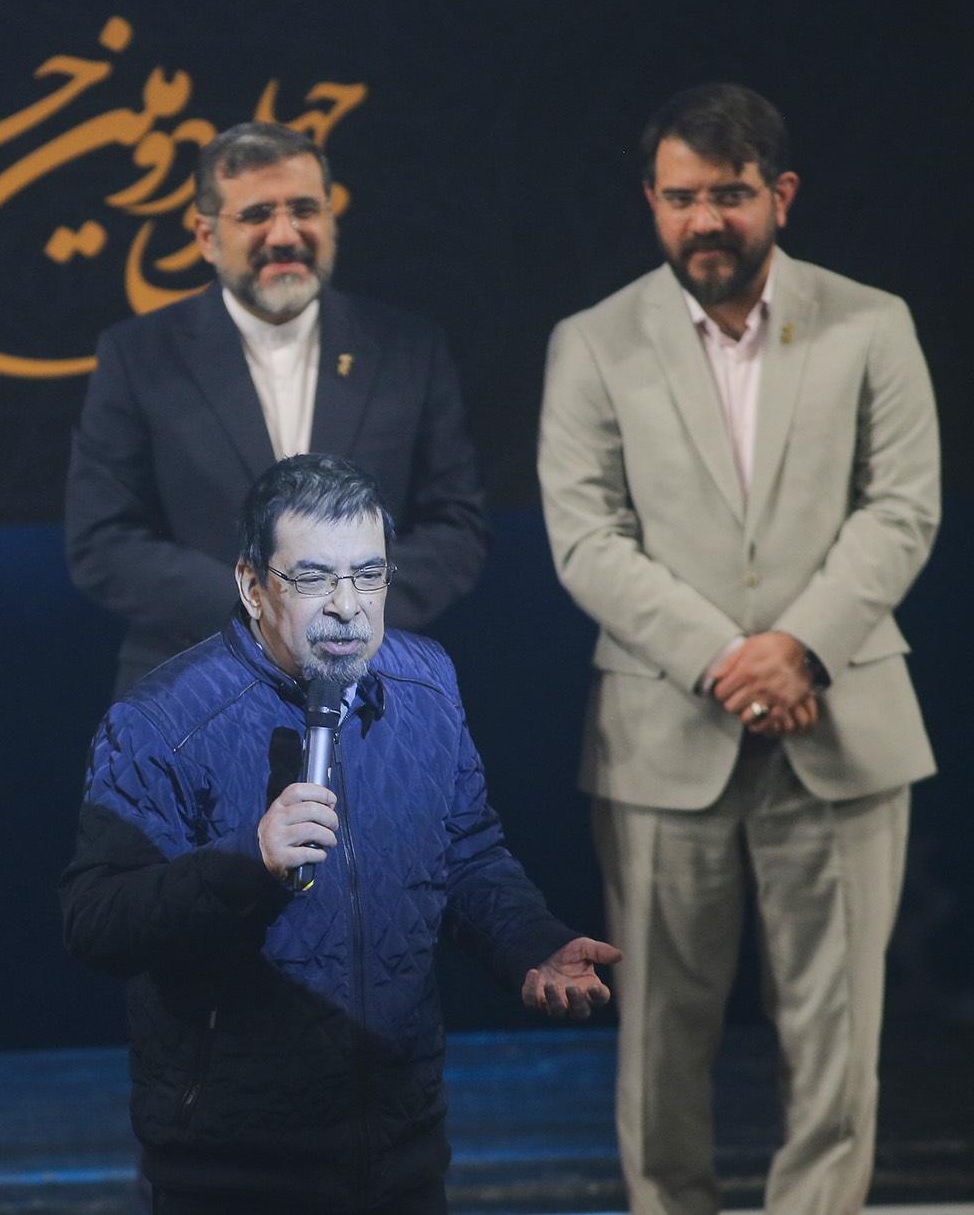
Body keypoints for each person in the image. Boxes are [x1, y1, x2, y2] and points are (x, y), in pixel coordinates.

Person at [538, 82, 939, 1215]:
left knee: (836, 1038)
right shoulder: (592, 342)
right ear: (651, 203)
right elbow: (585, 537)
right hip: (661, 736)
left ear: (780, 195)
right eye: (681, 198)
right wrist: (730, 656)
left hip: (841, 724)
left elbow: (902, 507)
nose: (704, 219)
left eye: (729, 194)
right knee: (659, 1040)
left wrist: (799, 648)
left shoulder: (873, 322)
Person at [61, 453, 619, 1213]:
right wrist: (248, 860)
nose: (348, 607)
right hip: (232, 1166)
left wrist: (532, 943)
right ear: (252, 587)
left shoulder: (427, 684)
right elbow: (98, 920)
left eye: (368, 574)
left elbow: (467, 854)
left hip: (400, 1148)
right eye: (315, 578)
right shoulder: (162, 723)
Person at [65, 122, 487, 695]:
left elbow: (456, 527)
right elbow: (103, 541)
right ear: (206, 236)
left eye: (305, 210)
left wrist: (346, 614)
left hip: (376, 682)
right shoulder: (138, 355)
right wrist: (266, 613)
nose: (285, 235)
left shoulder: (409, 350)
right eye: (257, 214)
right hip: (191, 683)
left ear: (330, 220)